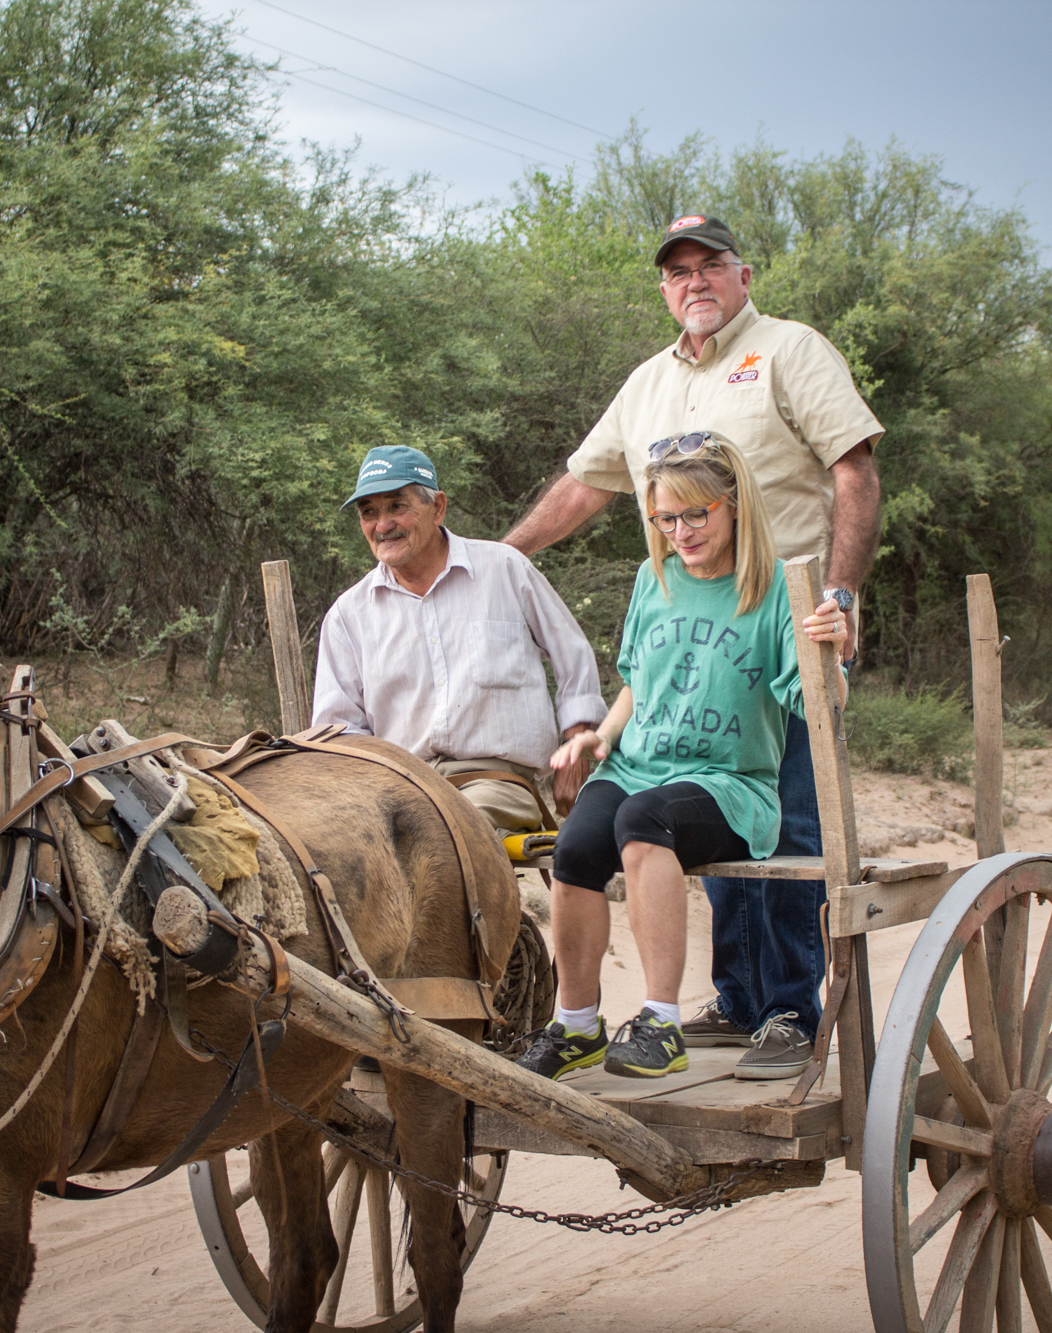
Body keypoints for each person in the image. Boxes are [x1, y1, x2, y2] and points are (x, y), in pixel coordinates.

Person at [503, 214, 884, 1074]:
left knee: (781, 828)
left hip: (780, 616)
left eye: (711, 264)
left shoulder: (790, 350)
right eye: (678, 271)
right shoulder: (648, 386)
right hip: (687, 628)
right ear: (665, 289)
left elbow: (853, 470)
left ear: (743, 274)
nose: (696, 281)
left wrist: (840, 596)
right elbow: (584, 485)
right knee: (687, 826)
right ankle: (736, 1000)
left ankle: (787, 1007)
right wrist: (507, 552)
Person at [516, 438, 847, 1082]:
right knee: (578, 841)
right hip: (640, 763)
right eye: (665, 518)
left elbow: (819, 703)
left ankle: (659, 1022)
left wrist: (832, 653)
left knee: (644, 820)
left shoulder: (778, 585)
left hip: (728, 782)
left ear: (734, 506)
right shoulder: (654, 577)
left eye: (696, 514)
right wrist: (603, 737)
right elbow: (640, 681)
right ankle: (577, 1024)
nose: (680, 531)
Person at [313, 445, 605, 833]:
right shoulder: (349, 615)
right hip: (398, 789)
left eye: (397, 506)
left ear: (438, 507)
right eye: (369, 512)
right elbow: (339, 732)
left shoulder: (504, 568)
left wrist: (576, 749)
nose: (382, 525)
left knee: (440, 837)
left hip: (495, 783)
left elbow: (573, 656)